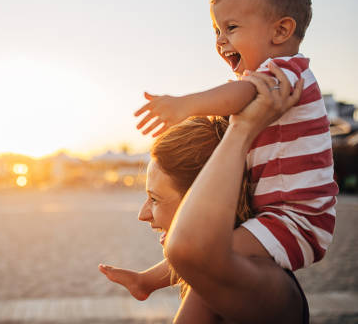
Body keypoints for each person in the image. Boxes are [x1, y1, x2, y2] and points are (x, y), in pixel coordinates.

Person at [134, 0, 337, 272]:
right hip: (276, 214)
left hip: (297, 219)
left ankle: (151, 279)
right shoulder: (268, 76)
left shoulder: (288, 71)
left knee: (208, 253)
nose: (220, 40)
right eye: (217, 30)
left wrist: (186, 105)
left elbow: (243, 95)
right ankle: (148, 282)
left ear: (281, 30)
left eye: (231, 28)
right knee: (205, 266)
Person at [101, 67, 309, 322]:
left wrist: (242, 129)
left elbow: (188, 249)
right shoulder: (216, 280)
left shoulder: (265, 290)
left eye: (154, 199)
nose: (143, 215)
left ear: (205, 200)